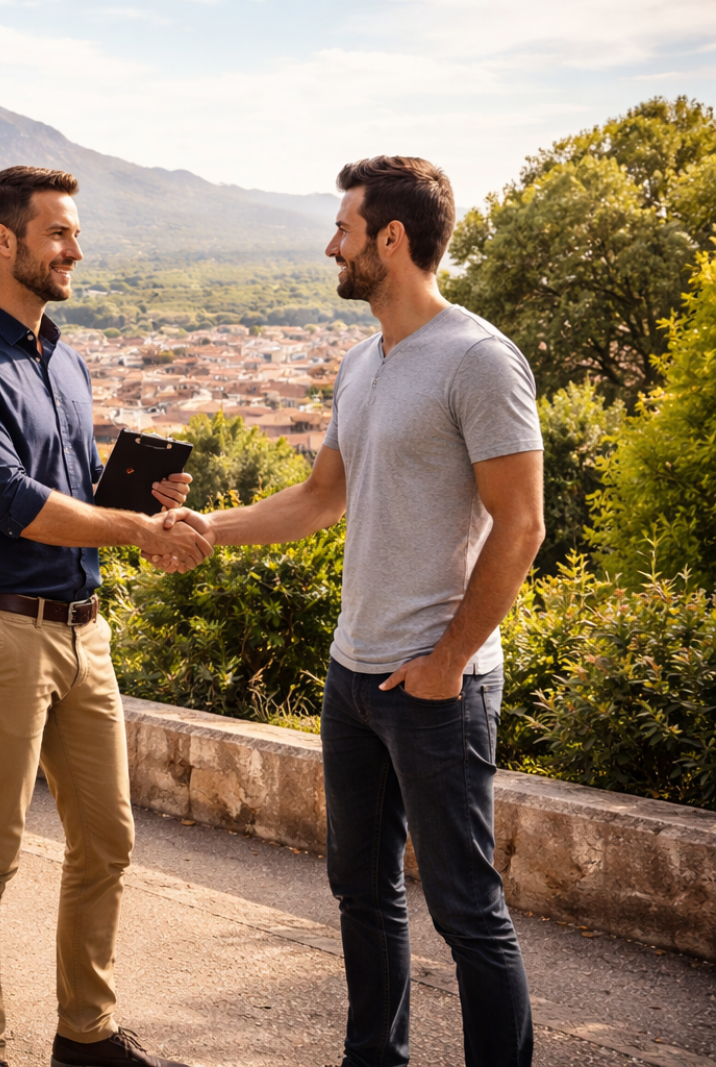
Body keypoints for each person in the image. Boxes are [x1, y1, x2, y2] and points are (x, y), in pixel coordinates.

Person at [176, 156, 543, 1067]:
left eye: (343, 226)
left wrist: (452, 659)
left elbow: (523, 524)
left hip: (436, 687)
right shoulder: (361, 361)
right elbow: (316, 499)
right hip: (353, 676)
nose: (329, 244)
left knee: (465, 908)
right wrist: (204, 528)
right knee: (361, 893)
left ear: (392, 237)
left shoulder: (479, 358)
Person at [0, 165, 209, 1067]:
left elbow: (70, 489)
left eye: (75, 235)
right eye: (60, 235)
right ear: (6, 242)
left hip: (86, 629)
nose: (76, 250)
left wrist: (140, 496)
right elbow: (11, 501)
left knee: (109, 840)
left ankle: (86, 1034)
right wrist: (140, 529)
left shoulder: (66, 360)